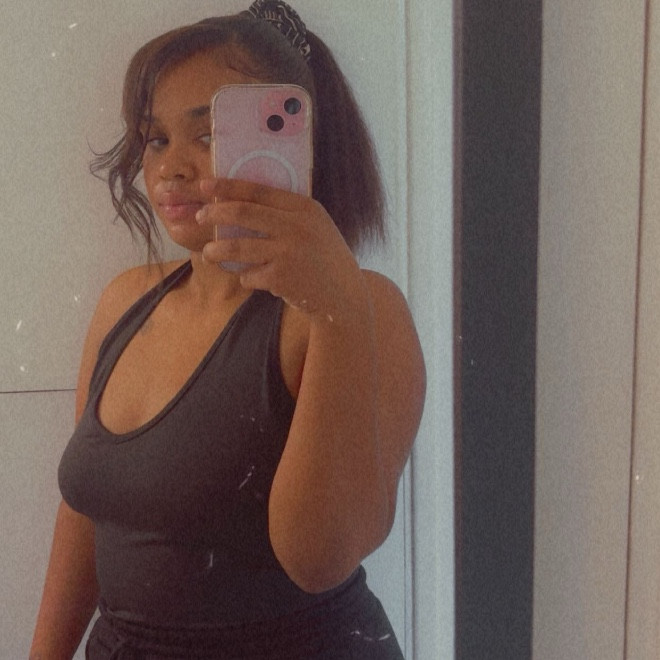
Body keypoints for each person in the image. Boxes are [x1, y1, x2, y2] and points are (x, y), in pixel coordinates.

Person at [30, 2, 425, 658]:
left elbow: (319, 558)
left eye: (208, 135)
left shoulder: (363, 309)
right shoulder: (124, 302)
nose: (171, 167)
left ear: (294, 141)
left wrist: (338, 314)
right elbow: (87, 510)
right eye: (156, 138)